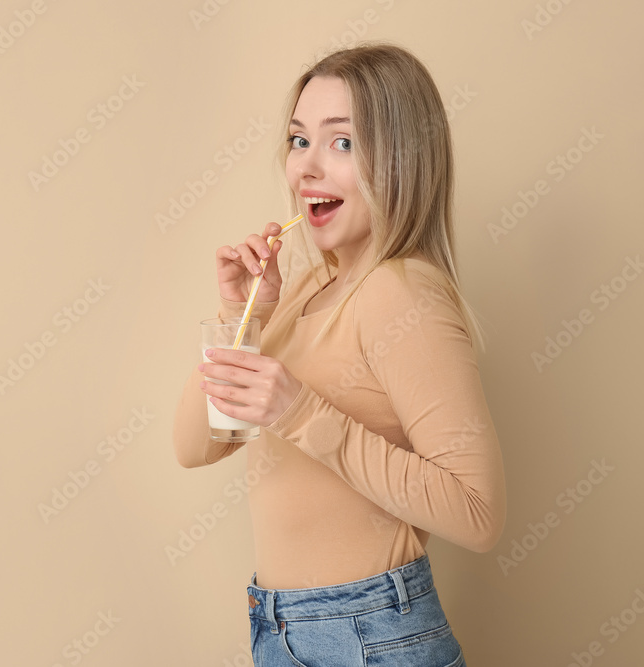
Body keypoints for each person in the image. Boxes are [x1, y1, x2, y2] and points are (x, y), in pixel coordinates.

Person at [171, 42, 506, 666]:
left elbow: (478, 512)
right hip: (280, 630)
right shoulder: (302, 287)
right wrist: (241, 315)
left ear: (402, 161)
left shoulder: (402, 293)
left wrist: (300, 412)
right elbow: (196, 448)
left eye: (342, 143)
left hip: (371, 634)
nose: (307, 169)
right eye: (299, 140)